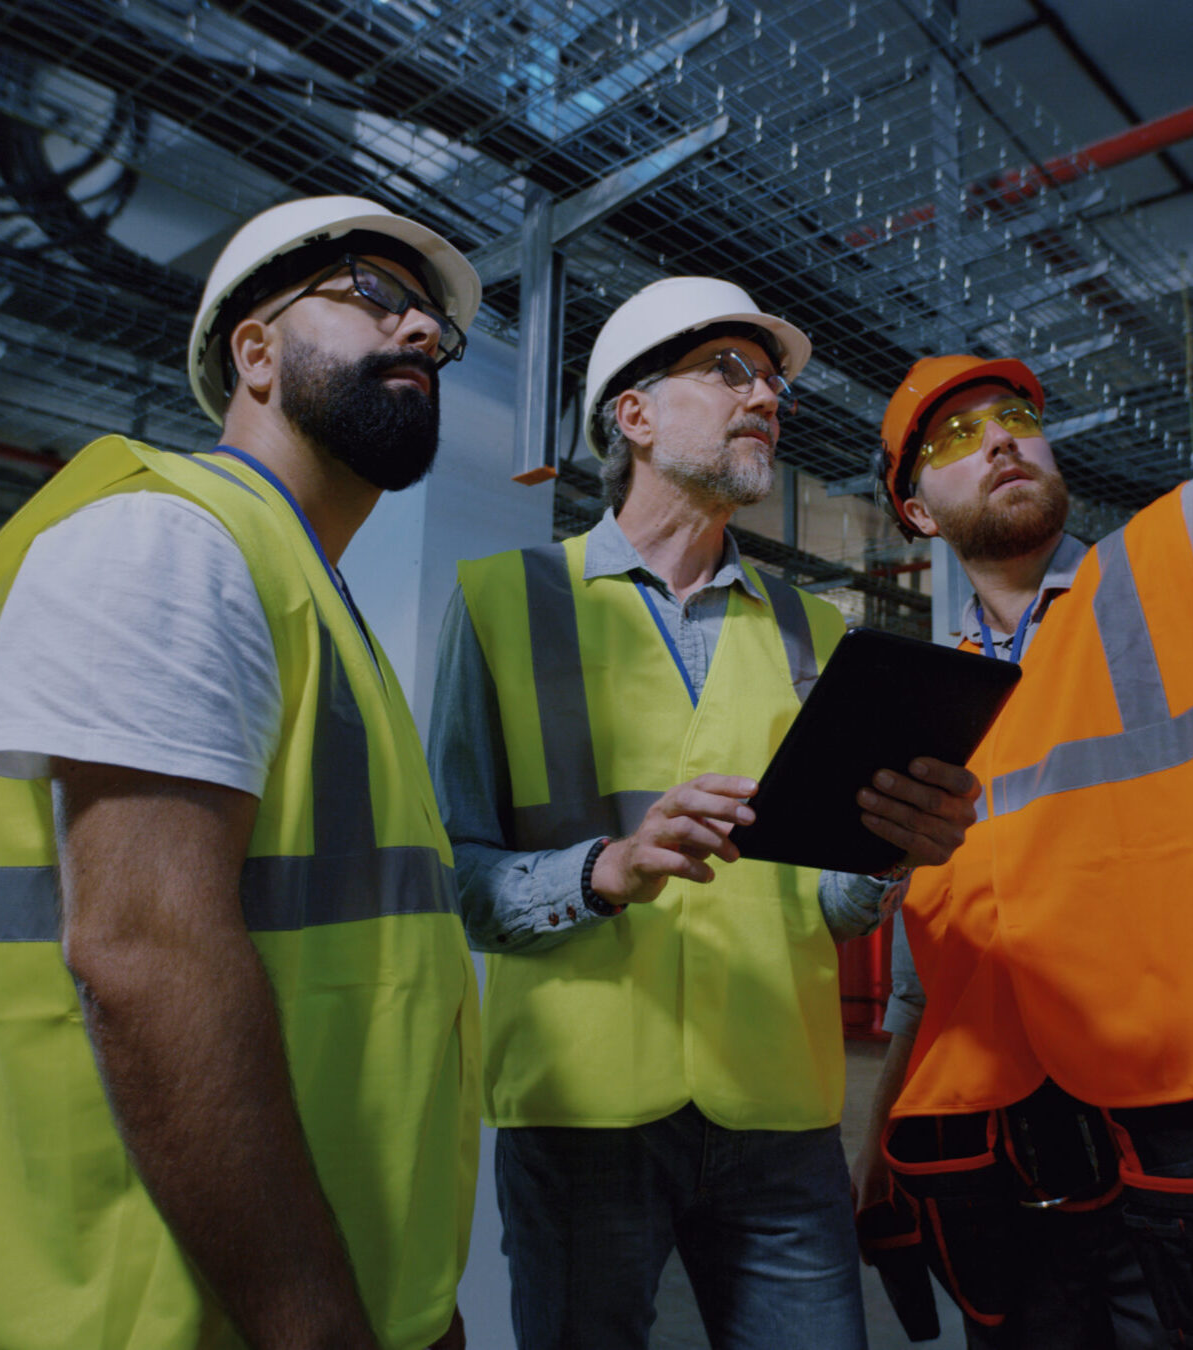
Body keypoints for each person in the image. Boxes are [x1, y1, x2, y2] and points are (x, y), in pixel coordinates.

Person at [851, 3, 1193, 1347]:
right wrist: (875, 1145)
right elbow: (929, 971)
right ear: (915, 513)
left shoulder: (1183, 562)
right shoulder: (909, 703)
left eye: (1015, 421)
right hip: (1000, 1182)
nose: (1000, 441)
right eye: (958, 437)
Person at [0, 197, 484, 1350]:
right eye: (374, 293)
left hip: (333, 1287)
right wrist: (307, 1317)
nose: (420, 330)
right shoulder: (171, 542)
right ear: (254, 352)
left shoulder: (307, 594)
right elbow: (142, 955)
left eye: (433, 323)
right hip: (156, 1310)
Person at [428, 275, 980, 1349]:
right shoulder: (501, 601)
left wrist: (889, 854)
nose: (767, 397)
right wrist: (606, 870)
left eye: (771, 379)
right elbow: (453, 877)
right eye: (729, 371)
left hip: (777, 1110)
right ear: (631, 415)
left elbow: (829, 904)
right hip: (579, 1109)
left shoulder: (814, 630)